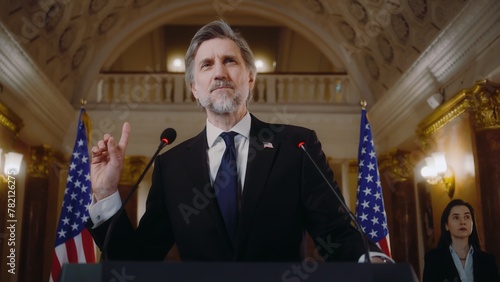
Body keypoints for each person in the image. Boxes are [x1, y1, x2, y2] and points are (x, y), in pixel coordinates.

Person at [87, 20, 390, 263]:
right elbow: (138, 259)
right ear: (194, 88)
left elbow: (334, 232)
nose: (219, 72)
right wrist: (105, 194)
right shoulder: (171, 165)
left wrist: (371, 257)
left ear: (250, 79)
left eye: (229, 61)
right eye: (206, 65)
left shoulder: (296, 146)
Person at [423, 199, 500, 282]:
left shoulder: (487, 260)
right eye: (456, 217)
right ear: (446, 225)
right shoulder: (434, 259)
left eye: (466, 217)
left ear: (472, 223)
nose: (462, 222)